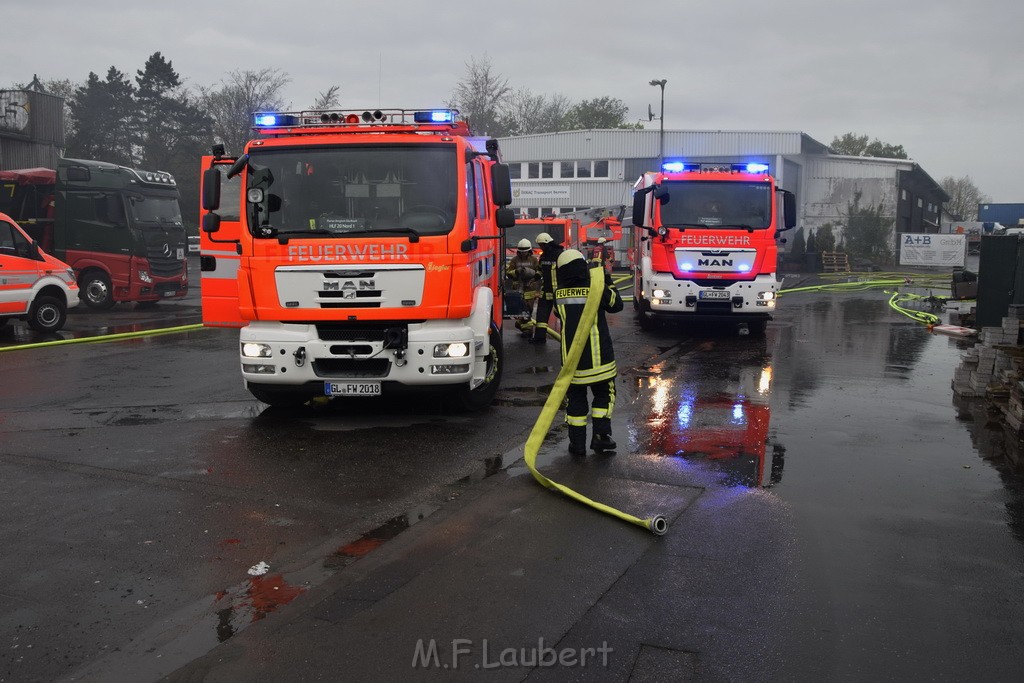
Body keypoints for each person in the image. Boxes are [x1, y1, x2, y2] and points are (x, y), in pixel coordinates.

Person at [554, 249, 624, 455]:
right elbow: (616, 305)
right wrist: (606, 278)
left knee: (575, 402)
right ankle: (601, 437)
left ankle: (577, 444)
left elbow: (559, 314)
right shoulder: (596, 288)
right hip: (599, 361)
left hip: (572, 364)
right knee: (604, 395)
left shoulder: (558, 294)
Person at [533, 232, 563, 343]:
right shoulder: (543, 256)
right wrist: (535, 277)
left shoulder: (560, 254)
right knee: (541, 318)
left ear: (548, 244)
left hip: (559, 293)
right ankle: (539, 338)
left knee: (564, 317)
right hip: (546, 292)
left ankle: (567, 339)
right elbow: (541, 270)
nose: (541, 247)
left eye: (542, 245)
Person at [505, 239, 541, 325]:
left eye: (525, 252)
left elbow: (539, 273)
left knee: (529, 310)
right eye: (521, 252)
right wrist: (517, 272)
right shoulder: (514, 260)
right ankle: (524, 327)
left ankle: (525, 326)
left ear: (529, 251)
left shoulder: (534, 260)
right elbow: (508, 273)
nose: (523, 253)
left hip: (530, 288)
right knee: (520, 310)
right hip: (518, 288)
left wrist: (533, 278)